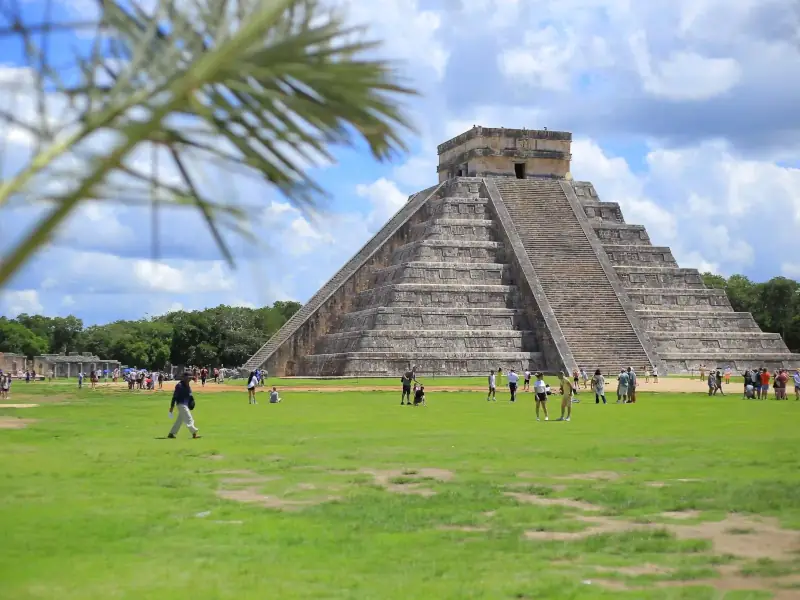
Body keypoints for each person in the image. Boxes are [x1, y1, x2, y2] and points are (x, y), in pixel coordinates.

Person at [168, 372, 200, 439]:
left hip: (185, 405)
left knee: (179, 420)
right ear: (184, 378)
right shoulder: (179, 386)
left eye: (190, 378)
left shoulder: (188, 385)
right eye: (188, 378)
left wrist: (192, 402)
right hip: (181, 404)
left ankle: (171, 433)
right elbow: (174, 397)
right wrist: (172, 407)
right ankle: (194, 433)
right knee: (189, 418)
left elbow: (190, 396)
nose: (189, 379)